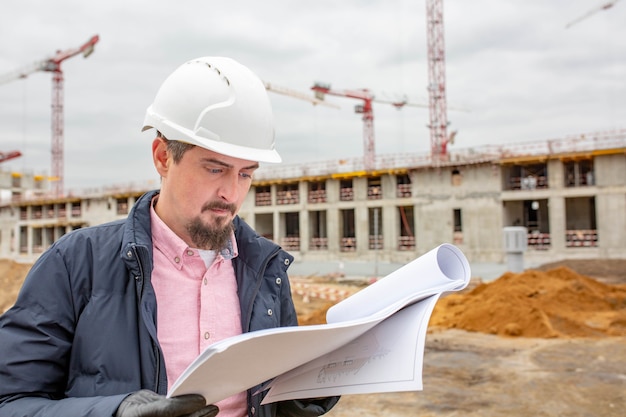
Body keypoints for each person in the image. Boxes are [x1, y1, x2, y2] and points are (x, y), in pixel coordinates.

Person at [0, 57, 340, 417]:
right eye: (215, 169)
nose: (231, 192)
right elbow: (10, 400)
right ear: (163, 157)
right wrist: (116, 412)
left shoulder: (266, 269)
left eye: (245, 174)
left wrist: (305, 397)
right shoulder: (76, 263)